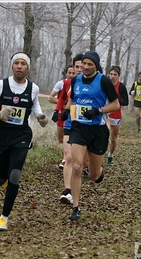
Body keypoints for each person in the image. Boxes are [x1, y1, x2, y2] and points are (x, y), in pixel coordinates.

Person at [0, 52, 48, 231]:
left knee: (15, 175)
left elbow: (34, 105)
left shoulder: (33, 88)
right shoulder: (0, 85)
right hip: (1, 135)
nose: (19, 66)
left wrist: (40, 116)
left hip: (21, 136)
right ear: (12, 66)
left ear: (27, 68)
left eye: (23, 64)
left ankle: (4, 217)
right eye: (16, 63)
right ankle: (5, 182)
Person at [61, 51, 120, 220]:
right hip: (79, 127)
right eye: (84, 64)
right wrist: (66, 111)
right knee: (77, 166)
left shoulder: (104, 81)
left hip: (98, 130)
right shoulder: (76, 80)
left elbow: (115, 104)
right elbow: (72, 99)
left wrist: (98, 110)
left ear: (96, 65)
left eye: (89, 64)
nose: (85, 67)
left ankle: (99, 172)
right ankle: (75, 207)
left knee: (94, 175)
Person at [57, 54, 84, 205]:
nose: (80, 69)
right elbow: (61, 98)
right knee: (68, 157)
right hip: (70, 122)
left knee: (81, 164)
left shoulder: (95, 82)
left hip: (86, 126)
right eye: (77, 67)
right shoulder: (69, 82)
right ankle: (67, 191)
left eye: (82, 66)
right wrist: (59, 111)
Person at [48, 64, 76, 169]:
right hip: (61, 113)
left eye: (73, 73)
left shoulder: (77, 83)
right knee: (61, 138)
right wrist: (63, 105)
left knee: (69, 136)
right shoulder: (61, 83)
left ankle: (66, 159)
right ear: (66, 73)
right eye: (70, 73)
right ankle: (68, 156)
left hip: (72, 112)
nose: (71, 75)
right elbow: (51, 98)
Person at [106, 65, 129, 165]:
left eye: (115, 74)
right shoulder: (105, 84)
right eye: (111, 74)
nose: (112, 76)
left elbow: (126, 102)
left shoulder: (121, 86)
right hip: (106, 114)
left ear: (118, 76)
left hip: (116, 115)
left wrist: (116, 103)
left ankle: (110, 155)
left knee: (113, 139)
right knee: (104, 135)